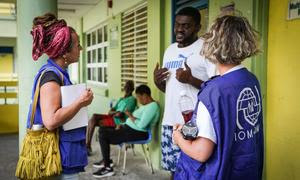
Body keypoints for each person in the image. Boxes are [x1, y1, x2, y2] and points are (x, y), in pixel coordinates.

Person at [173, 15, 264, 180]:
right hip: (245, 170)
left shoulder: (214, 91)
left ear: (213, 44)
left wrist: (178, 138)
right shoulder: (251, 80)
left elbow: (201, 153)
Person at [28, 13, 94, 179]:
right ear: (65, 51)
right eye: (77, 45)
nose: (81, 49)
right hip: (57, 158)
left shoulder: (59, 74)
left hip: (63, 154)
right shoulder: (51, 77)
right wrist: (80, 102)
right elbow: (50, 121)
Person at [153, 7, 216, 178]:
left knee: (195, 171)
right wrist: (157, 82)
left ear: (197, 27)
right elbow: (169, 90)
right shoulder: (170, 50)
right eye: (177, 25)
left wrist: (191, 80)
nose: (180, 29)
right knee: (174, 172)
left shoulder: (206, 49)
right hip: (170, 122)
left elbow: (216, 88)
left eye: (186, 25)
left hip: (195, 124)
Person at [92, 85, 160, 178]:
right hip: (130, 129)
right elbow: (137, 120)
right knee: (103, 129)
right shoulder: (147, 106)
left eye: (139, 97)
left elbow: (141, 125)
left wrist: (130, 115)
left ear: (145, 95)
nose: (138, 100)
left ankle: (107, 167)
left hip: (139, 133)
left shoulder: (153, 106)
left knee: (104, 135)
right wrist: (124, 123)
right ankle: (106, 160)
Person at [86, 80, 136, 155]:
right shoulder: (121, 99)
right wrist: (115, 113)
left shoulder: (132, 100)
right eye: (125, 86)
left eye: (128, 87)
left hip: (118, 122)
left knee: (94, 122)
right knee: (94, 117)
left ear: (132, 89)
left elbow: (121, 115)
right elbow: (110, 112)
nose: (126, 88)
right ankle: (87, 145)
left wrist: (114, 113)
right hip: (112, 117)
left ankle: (88, 146)